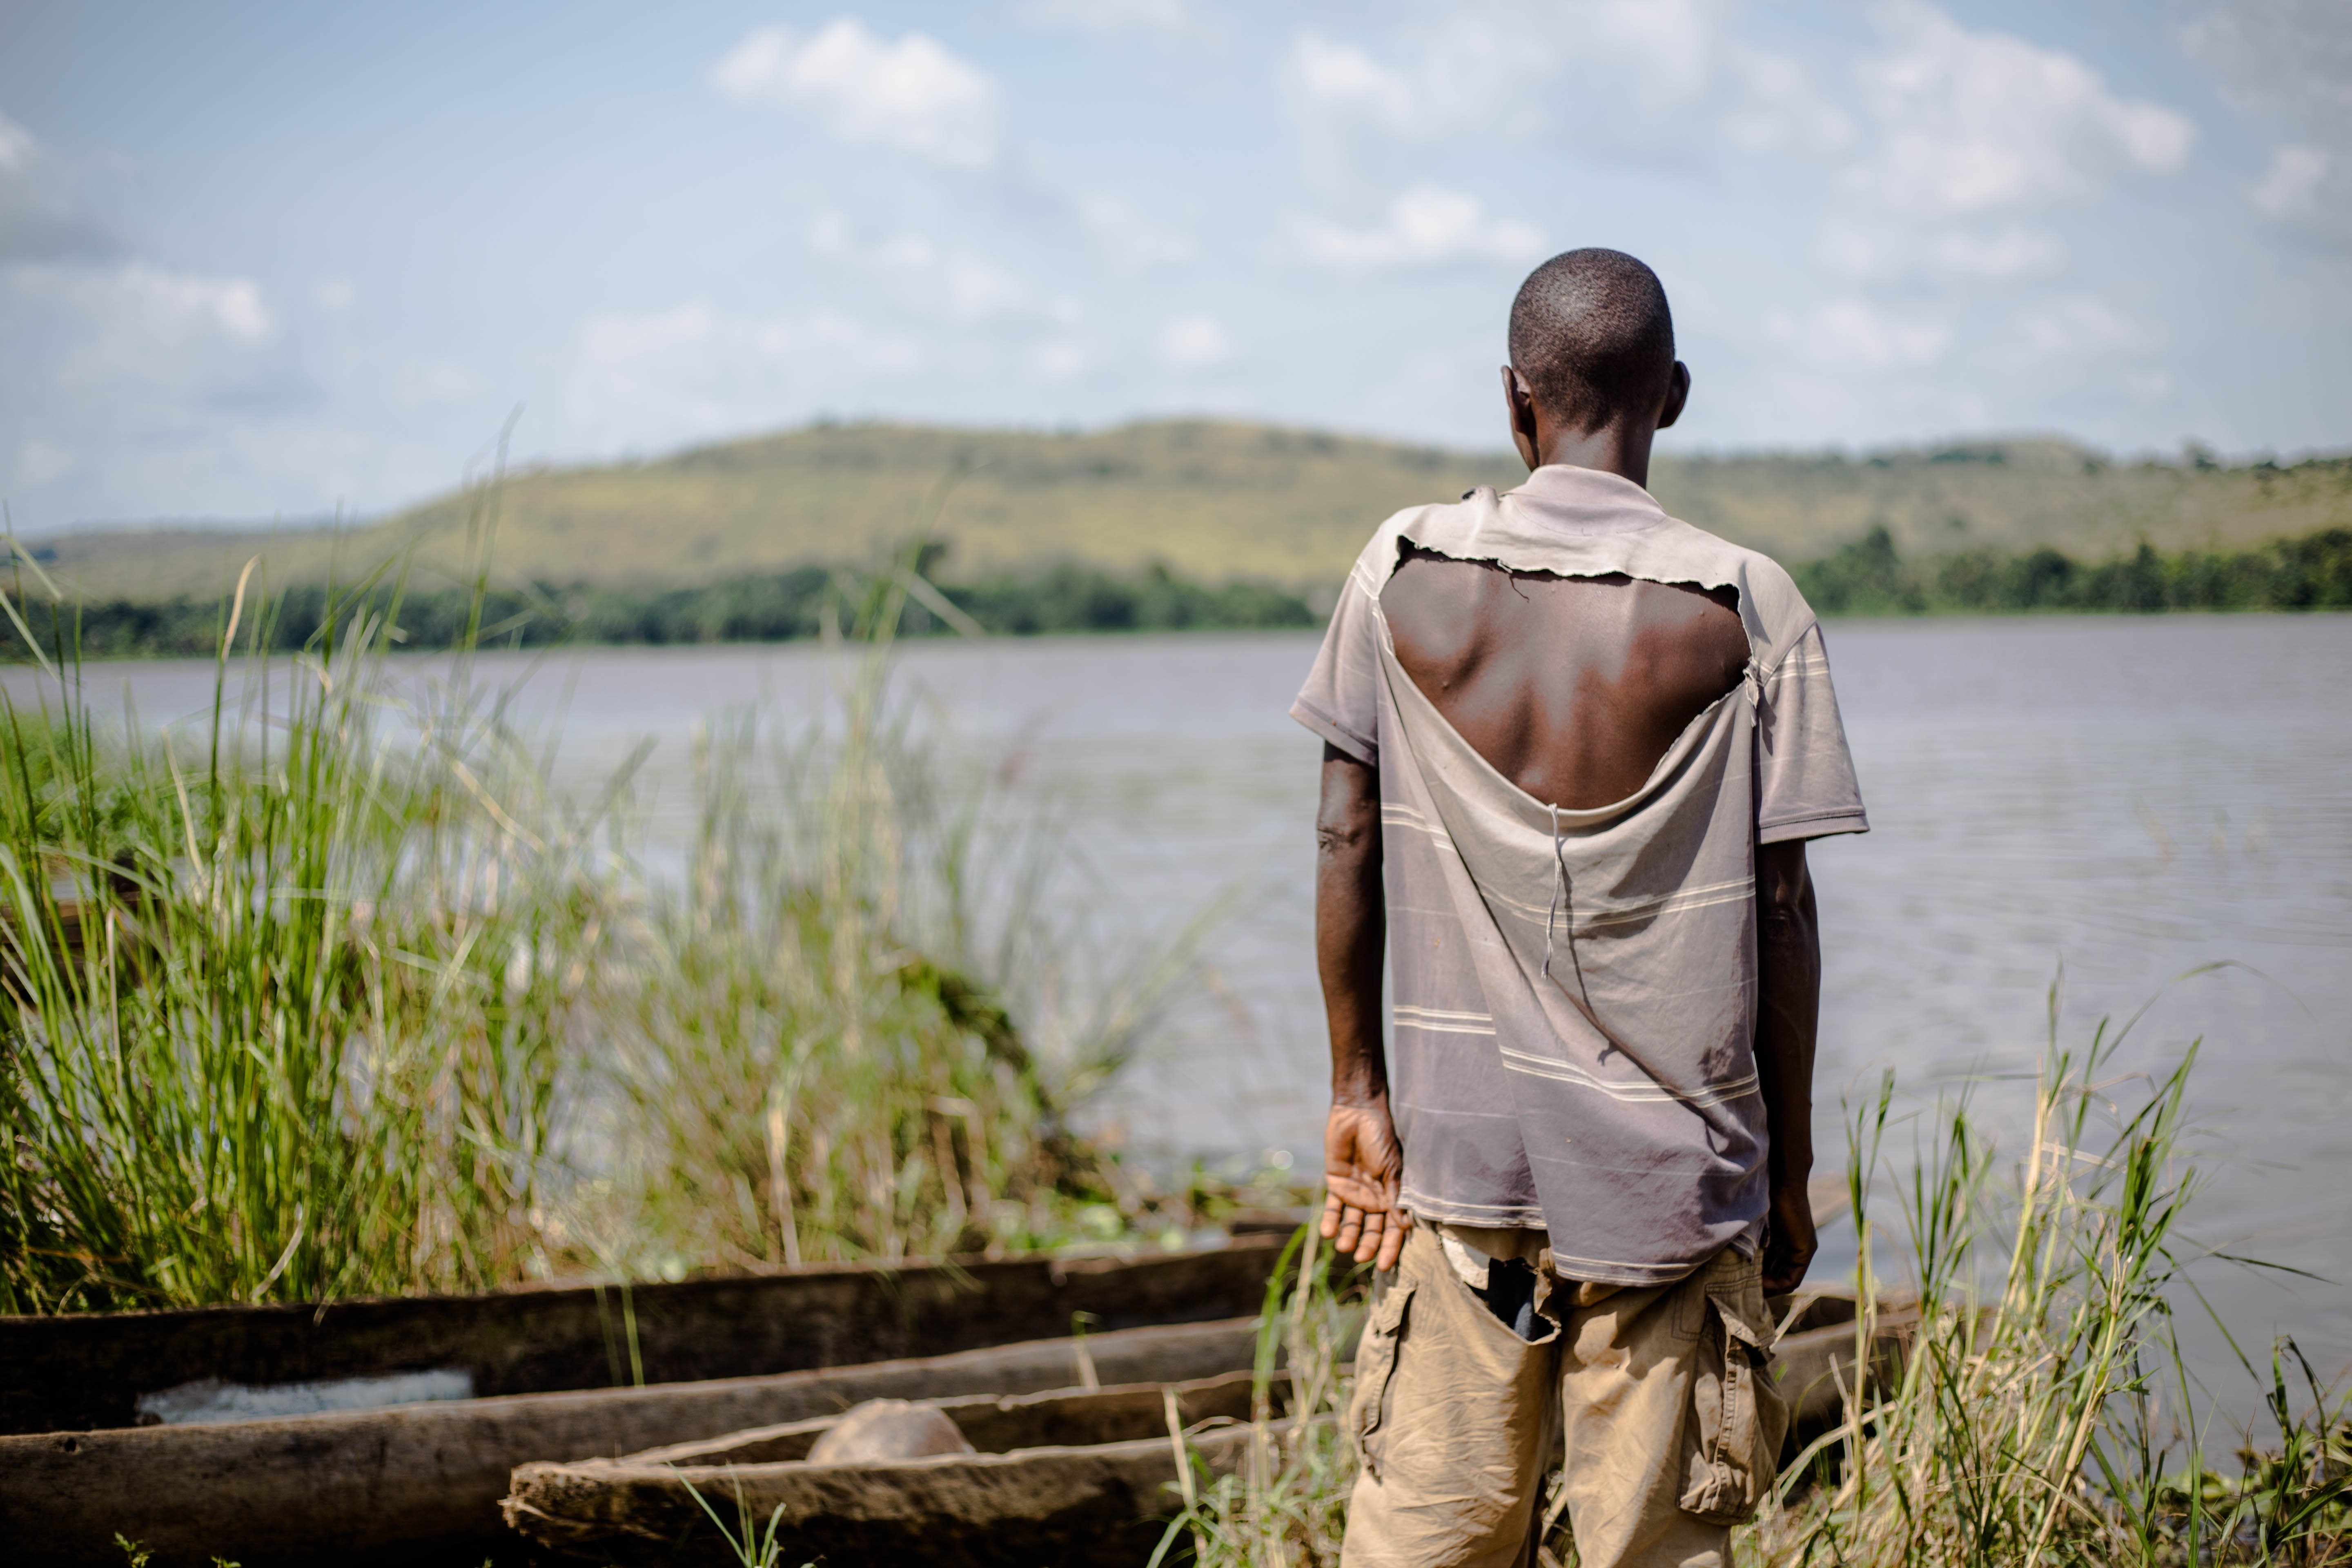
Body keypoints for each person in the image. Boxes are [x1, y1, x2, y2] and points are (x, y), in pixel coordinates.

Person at [1289, 248, 1868, 1568]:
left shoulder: (1400, 570)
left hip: (1463, 1164)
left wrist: (1356, 1089)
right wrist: (1786, 1166)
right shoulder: (1743, 604)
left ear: (1514, 400)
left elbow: (1342, 833)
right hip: (1673, 1178)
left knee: (1429, 1541)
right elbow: (1782, 915)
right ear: (1671, 396)